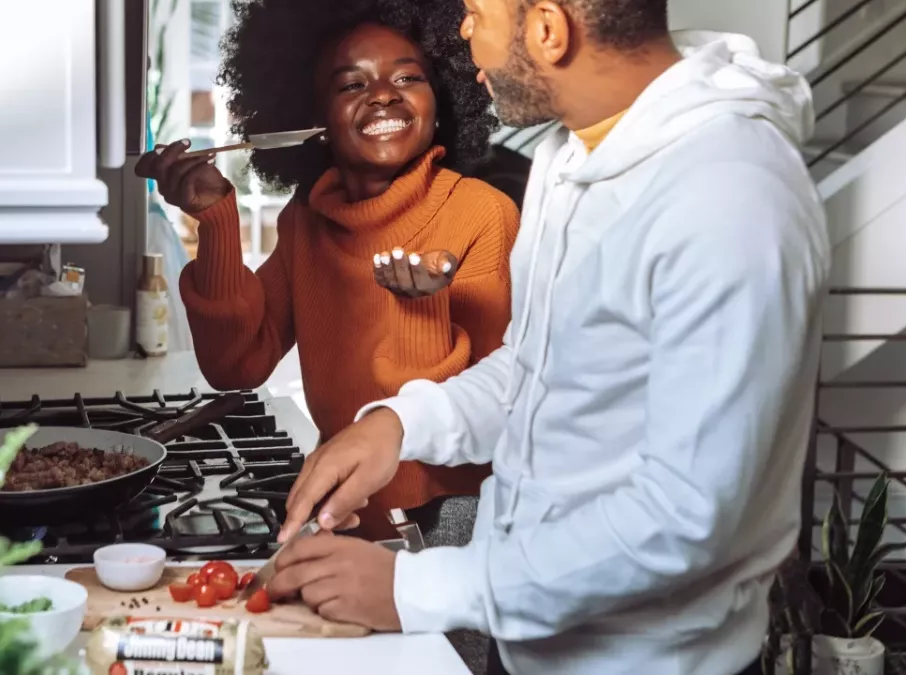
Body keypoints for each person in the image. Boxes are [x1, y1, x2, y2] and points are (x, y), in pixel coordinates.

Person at [268, 1, 831, 674]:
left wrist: (413, 588)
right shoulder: (570, 158)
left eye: (476, 12)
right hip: (531, 645)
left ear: (547, 29)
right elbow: (540, 370)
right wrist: (401, 423)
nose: (463, 35)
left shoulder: (730, 197)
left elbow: (685, 516)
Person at [135, 0, 520, 542]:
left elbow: (500, 409)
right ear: (312, 119)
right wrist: (216, 221)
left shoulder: (481, 213)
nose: (384, 93)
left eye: (409, 76)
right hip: (343, 513)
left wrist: (420, 309)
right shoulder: (307, 218)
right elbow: (236, 366)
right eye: (351, 85)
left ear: (443, 97)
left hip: (450, 525)